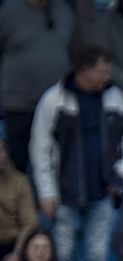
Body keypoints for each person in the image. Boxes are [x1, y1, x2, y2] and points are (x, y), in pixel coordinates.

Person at [31, 44, 123, 261]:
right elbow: (41, 148)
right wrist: (47, 192)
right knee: (63, 256)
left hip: (102, 193)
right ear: (84, 70)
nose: (107, 76)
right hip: (64, 195)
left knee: (98, 257)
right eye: (102, 71)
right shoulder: (54, 100)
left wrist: (119, 176)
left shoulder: (115, 97)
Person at [0, 0, 75, 175]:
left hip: (56, 105)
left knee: (55, 165)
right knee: (15, 166)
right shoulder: (9, 12)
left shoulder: (65, 12)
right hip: (17, 105)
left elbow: (74, 54)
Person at [0, 138, 38, 257]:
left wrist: (17, 253)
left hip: (13, 245)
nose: (3, 155)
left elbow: (30, 223)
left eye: (3, 149)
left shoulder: (20, 181)